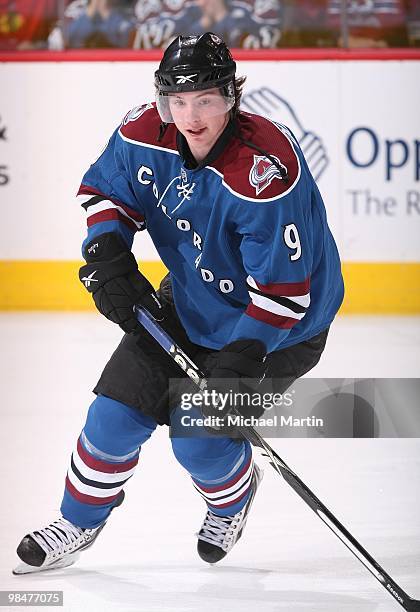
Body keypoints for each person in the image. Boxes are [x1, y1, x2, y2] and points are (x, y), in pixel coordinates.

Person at [13, 32, 344, 575]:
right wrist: (108, 250)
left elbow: (286, 293)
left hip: (282, 327)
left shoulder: (265, 172)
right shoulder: (144, 132)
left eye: (207, 100)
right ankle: (76, 523)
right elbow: (108, 193)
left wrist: (240, 358)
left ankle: (232, 502)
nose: (191, 116)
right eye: (178, 100)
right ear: (164, 98)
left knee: (198, 443)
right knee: (111, 420)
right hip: (190, 300)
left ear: (231, 98)